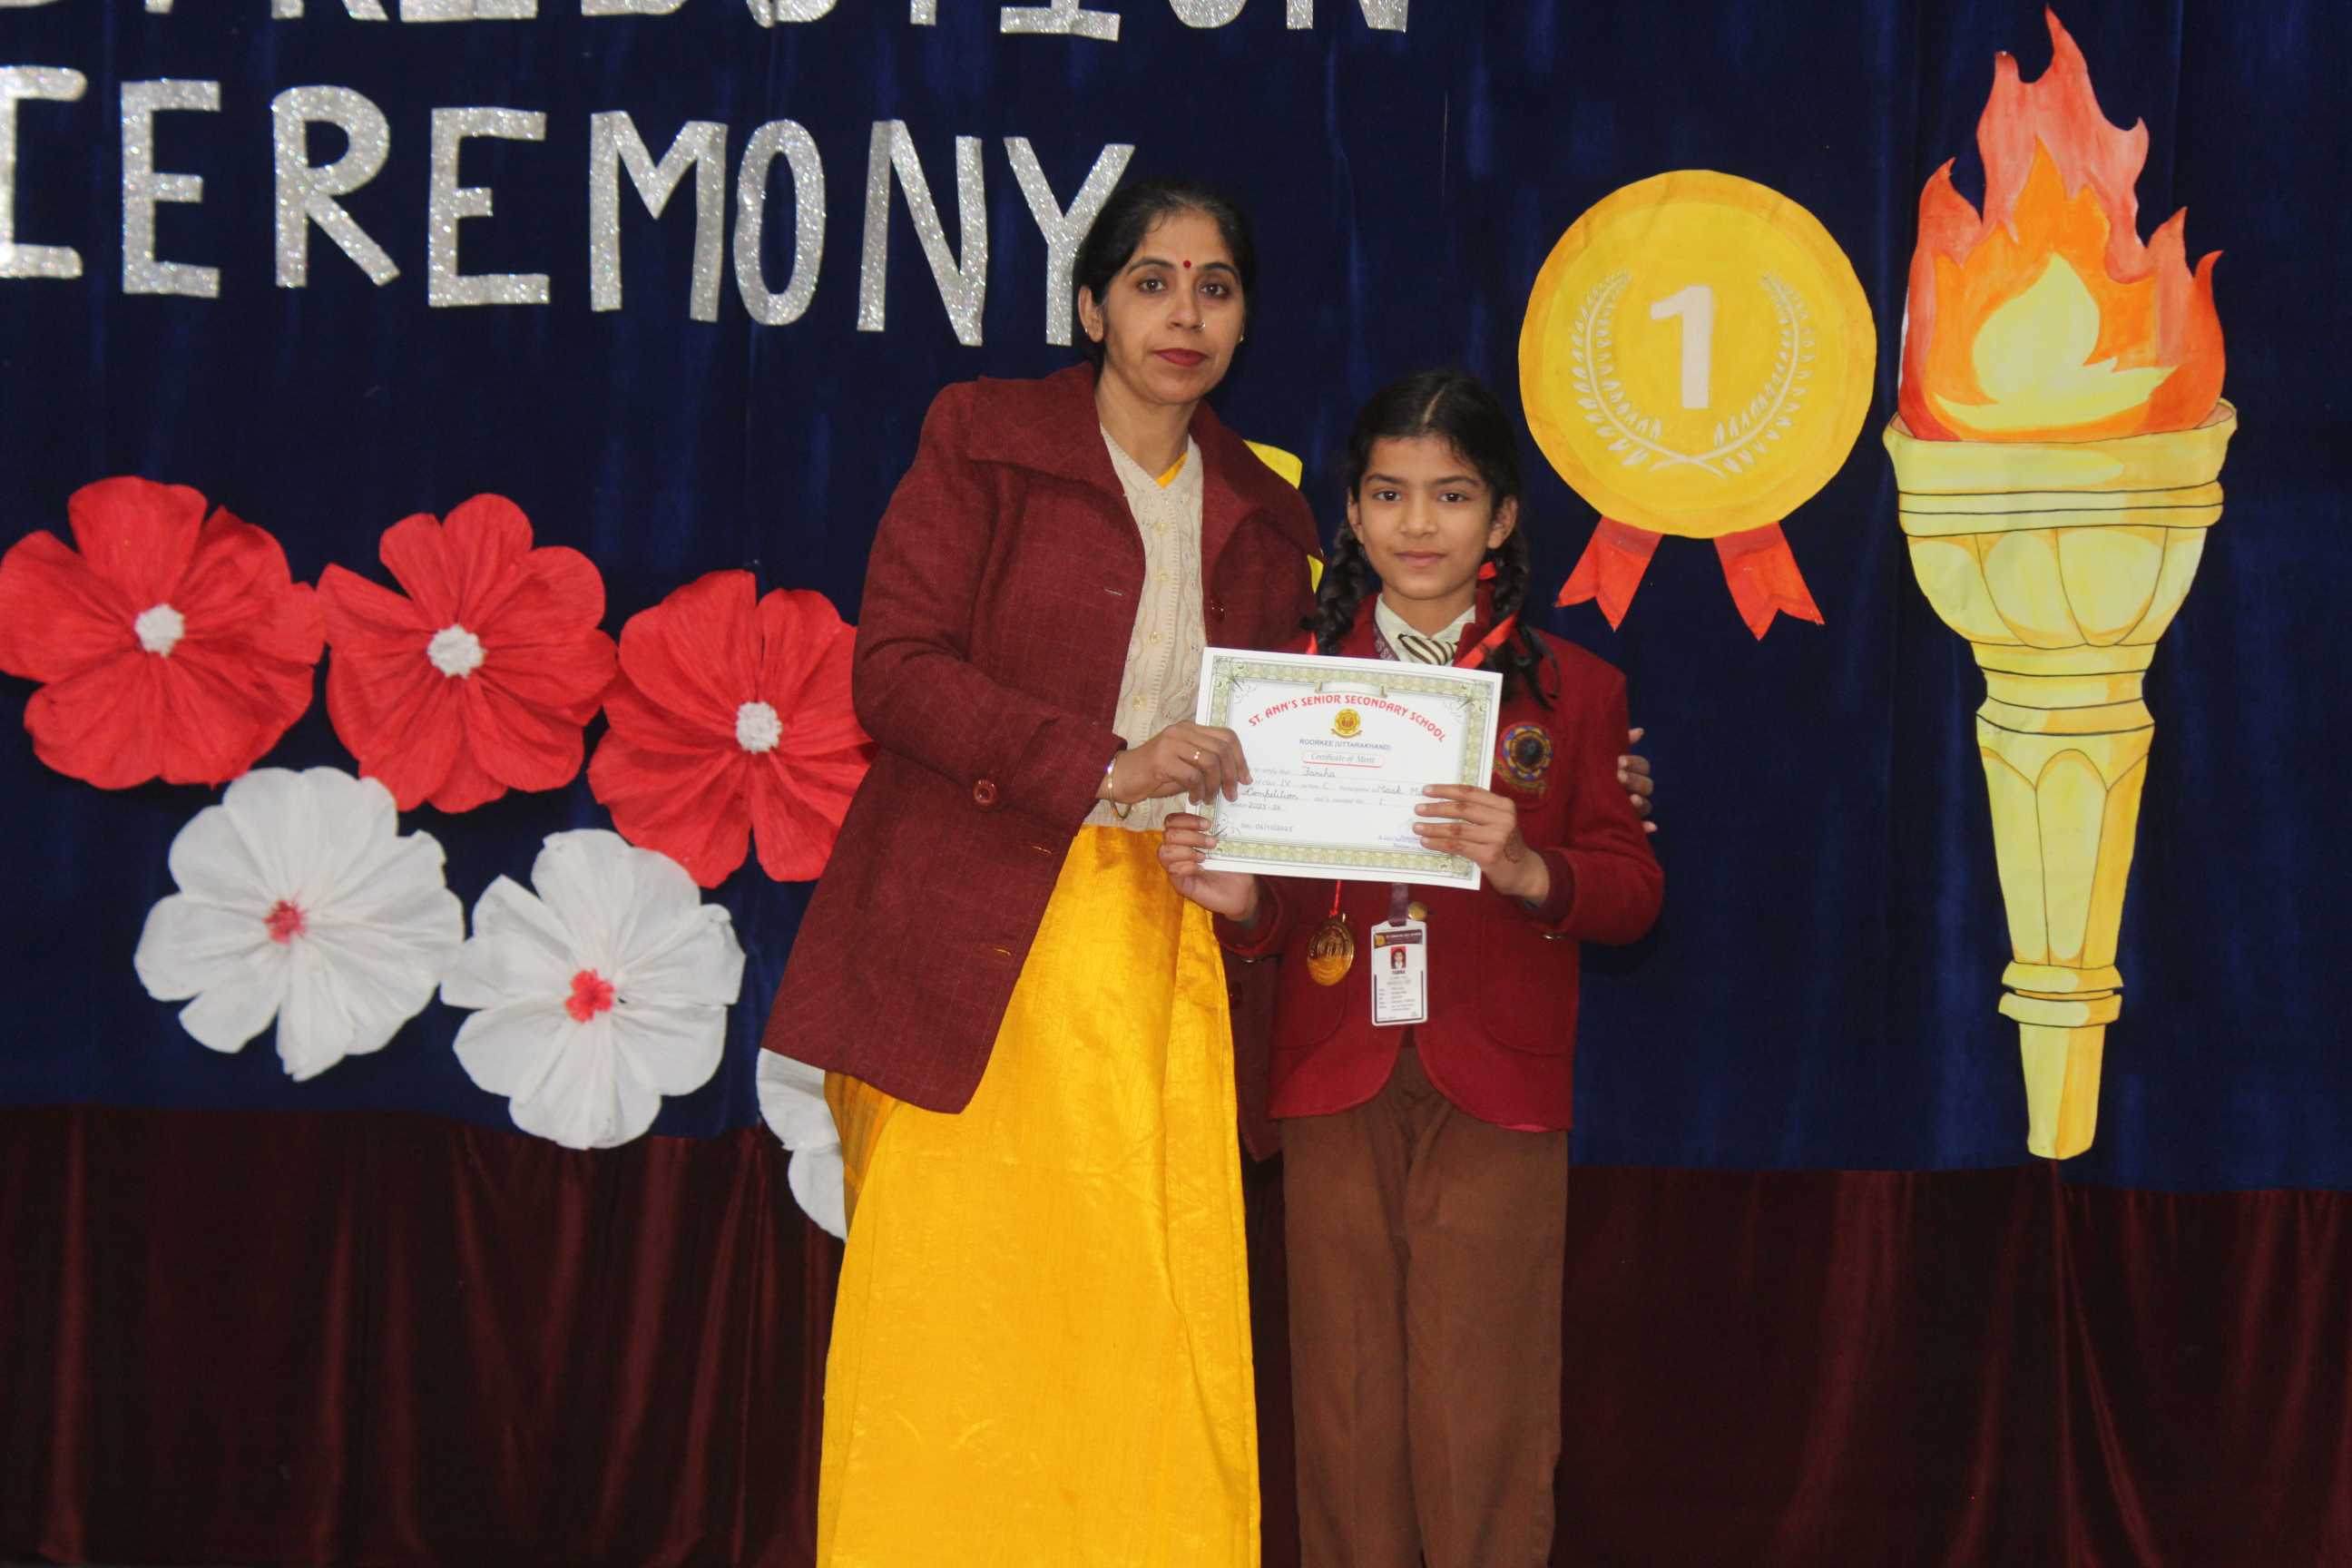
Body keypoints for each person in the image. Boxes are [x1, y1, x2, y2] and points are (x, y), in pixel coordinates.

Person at [761, 178, 1319, 1566]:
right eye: (1150, 281)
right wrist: (1105, 767)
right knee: (950, 1328)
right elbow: (894, 672)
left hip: (1162, 963)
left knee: (1145, 1338)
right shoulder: (984, 438)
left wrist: (1256, 891)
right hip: (967, 949)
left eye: (1215, 287)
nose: (1184, 314)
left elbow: (1293, 762)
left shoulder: (1273, 516)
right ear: (1091, 306)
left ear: (1245, 320)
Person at [1161, 370, 1665, 1568]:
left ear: (1501, 519)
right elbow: (1273, 909)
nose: (1418, 523)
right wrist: (1241, 906)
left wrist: (1531, 868)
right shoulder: (1285, 681)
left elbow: (1635, 894)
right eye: (1388, 494)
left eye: (1452, 495)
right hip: (1332, 1067)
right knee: (1342, 1402)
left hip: (1497, 1080)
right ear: (1351, 512)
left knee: (1480, 1399)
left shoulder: (1574, 691)